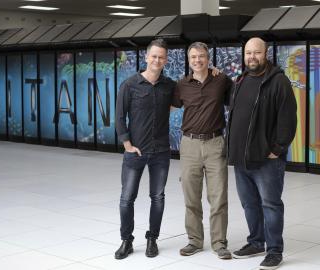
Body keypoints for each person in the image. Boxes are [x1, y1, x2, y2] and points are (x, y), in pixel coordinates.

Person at [228, 37, 297, 270]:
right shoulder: (241, 80)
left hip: (267, 161)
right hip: (241, 158)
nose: (252, 57)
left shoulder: (278, 81)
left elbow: (288, 119)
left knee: (271, 204)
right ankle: (256, 242)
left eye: (256, 53)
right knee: (250, 204)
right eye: (248, 53)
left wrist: (277, 149)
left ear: (265, 54)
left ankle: (275, 250)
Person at [114, 39, 176, 259]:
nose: (157, 60)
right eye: (154, 56)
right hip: (135, 151)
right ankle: (126, 241)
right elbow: (120, 117)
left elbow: (186, 96)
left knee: (157, 197)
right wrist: (127, 145)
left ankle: (152, 239)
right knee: (126, 198)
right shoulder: (130, 85)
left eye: (161, 57)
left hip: (161, 152)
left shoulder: (169, 86)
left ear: (165, 60)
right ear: (146, 57)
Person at [172, 42, 233, 259]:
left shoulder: (221, 80)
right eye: (193, 57)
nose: (197, 60)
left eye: (201, 56)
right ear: (189, 61)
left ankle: (219, 242)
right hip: (189, 145)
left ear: (208, 58)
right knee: (191, 196)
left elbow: (237, 98)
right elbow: (167, 107)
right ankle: (195, 241)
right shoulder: (181, 85)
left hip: (215, 143)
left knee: (218, 197)